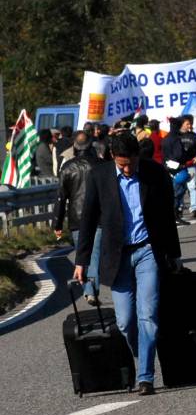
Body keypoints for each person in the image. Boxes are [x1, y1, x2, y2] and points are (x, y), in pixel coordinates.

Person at [73, 131, 182, 396]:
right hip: (117, 255)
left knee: (149, 315)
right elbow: (87, 220)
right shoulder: (99, 177)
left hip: (148, 252)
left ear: (137, 156)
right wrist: (82, 262)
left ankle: (145, 376)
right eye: (122, 164)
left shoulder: (154, 174)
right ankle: (143, 351)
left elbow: (168, 218)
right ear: (113, 157)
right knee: (125, 321)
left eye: (131, 163)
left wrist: (174, 254)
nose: (127, 168)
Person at [53, 131, 103, 305]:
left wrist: (57, 223)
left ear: (74, 146)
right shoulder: (101, 165)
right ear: (91, 145)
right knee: (95, 255)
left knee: (82, 255)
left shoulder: (67, 168)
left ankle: (88, 290)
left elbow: (61, 198)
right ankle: (92, 290)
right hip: (99, 217)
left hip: (76, 218)